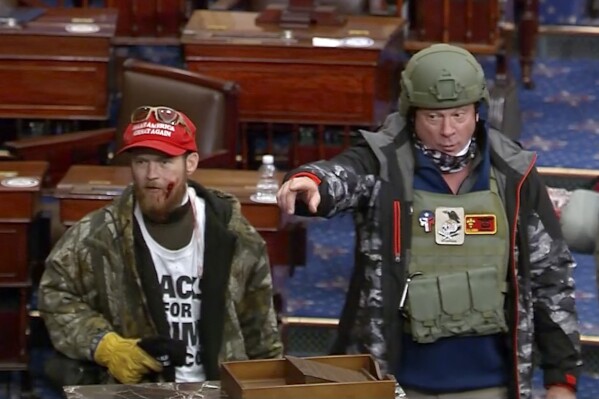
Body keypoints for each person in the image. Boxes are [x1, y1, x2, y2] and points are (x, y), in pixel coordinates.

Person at [277, 44, 582, 399]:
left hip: (492, 381)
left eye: (459, 115)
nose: (448, 131)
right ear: (411, 115)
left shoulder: (514, 172)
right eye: (434, 117)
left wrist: (562, 378)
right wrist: (312, 182)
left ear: (478, 111)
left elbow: (551, 276)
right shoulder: (384, 163)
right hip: (397, 382)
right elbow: (343, 174)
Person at [39, 106, 282, 386]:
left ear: (190, 163)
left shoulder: (237, 236)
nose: (151, 174)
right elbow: (56, 295)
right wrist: (106, 345)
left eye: (165, 161)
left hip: (220, 390)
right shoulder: (97, 235)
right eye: (141, 161)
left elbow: (261, 332)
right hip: (136, 392)